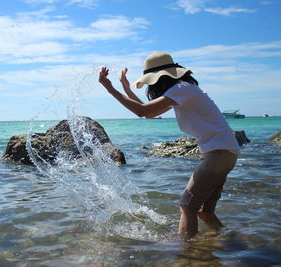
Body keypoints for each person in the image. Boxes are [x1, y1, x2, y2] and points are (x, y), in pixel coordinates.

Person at [98, 51, 240, 237]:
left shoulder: (182, 89)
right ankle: (232, 241)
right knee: (204, 212)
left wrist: (110, 89)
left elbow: (142, 111)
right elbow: (150, 113)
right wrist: (126, 89)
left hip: (218, 152)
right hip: (224, 152)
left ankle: (188, 256)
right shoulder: (183, 89)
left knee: (187, 206)